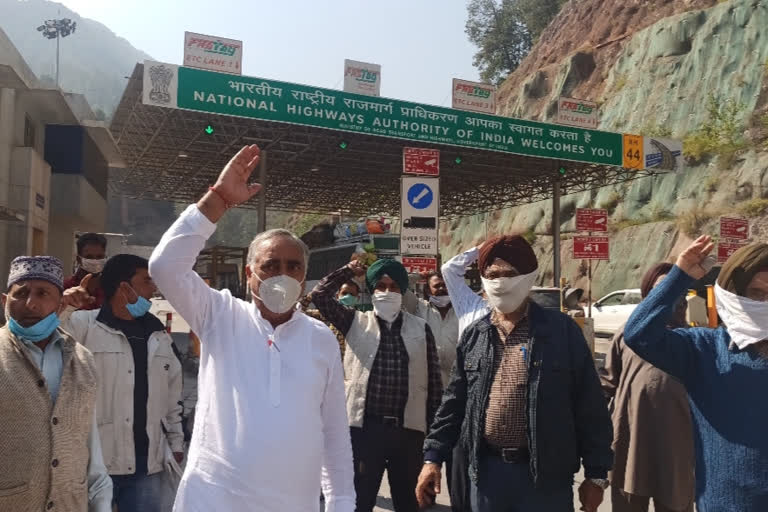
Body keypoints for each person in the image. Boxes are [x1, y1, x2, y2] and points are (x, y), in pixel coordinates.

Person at [148, 145, 355, 511]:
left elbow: (335, 434)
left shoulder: (320, 339)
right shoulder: (220, 315)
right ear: (249, 274)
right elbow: (165, 266)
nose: (283, 274)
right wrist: (218, 200)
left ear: (305, 277)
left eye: (293, 267)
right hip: (212, 500)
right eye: (271, 264)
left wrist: (341, 503)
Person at [416, 235, 613, 512]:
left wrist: (596, 474)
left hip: (545, 480)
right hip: (487, 476)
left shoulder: (561, 332)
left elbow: (590, 406)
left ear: (528, 277)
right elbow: (454, 403)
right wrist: (432, 458)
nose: (500, 281)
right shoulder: (475, 335)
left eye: (510, 274)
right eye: (492, 274)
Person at [624, 236, 768, 511]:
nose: (765, 303)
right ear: (734, 296)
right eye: (756, 294)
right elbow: (639, 334)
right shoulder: (703, 349)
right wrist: (679, 277)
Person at [311, 258, 443, 512]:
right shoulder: (356, 322)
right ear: (372, 291)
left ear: (403, 291)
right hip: (363, 431)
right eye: (380, 286)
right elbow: (320, 295)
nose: (387, 292)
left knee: (410, 503)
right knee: (358, 503)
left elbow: (434, 386)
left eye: (394, 286)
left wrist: (433, 445)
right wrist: (348, 270)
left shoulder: (421, 328)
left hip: (408, 433)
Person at [59, 254, 184, 512]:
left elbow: (172, 393)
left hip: (147, 466)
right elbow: (46, 342)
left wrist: (177, 440)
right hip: (95, 463)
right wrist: (67, 306)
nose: (154, 289)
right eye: (147, 281)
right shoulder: (85, 326)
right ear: (125, 288)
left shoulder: (158, 334)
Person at [0, 256, 112, 511]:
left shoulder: (82, 360)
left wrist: (101, 502)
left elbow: (89, 444)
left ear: (60, 303)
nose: (30, 304)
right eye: (21, 293)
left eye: (43, 293)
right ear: (5, 301)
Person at [600, 262, 695, 512]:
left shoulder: (696, 342)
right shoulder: (626, 336)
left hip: (677, 451)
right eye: (659, 290)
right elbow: (605, 385)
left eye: (674, 290)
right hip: (630, 445)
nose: (667, 297)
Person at [301, 277, 360, 356]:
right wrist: (310, 296)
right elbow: (300, 313)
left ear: (358, 298)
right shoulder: (324, 314)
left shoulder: (362, 319)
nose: (348, 296)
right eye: (344, 293)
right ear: (337, 296)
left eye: (352, 294)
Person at [441, 246, 490, 338]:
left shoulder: (517, 308)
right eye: (492, 275)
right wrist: (480, 249)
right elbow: (449, 269)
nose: (498, 282)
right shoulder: (469, 304)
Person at [63, 232, 107, 310]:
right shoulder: (66, 287)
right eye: (89, 257)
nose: (95, 261)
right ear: (79, 259)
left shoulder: (112, 289)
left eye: (99, 257)